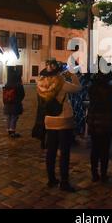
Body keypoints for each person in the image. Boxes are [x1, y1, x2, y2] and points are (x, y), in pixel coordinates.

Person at [37, 59, 82, 192]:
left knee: (50, 151)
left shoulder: (40, 83)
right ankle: (64, 181)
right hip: (63, 119)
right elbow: (78, 88)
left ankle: (51, 179)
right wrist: (72, 75)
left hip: (49, 119)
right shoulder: (61, 82)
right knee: (64, 152)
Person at [87, 72, 112, 183]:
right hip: (105, 122)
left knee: (94, 149)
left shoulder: (92, 89)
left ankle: (94, 173)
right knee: (105, 150)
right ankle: (103, 174)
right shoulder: (110, 90)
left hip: (94, 121)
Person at [3, 71, 25, 138]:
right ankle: (12, 131)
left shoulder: (7, 84)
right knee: (14, 117)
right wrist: (18, 100)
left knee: (9, 117)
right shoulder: (18, 85)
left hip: (7, 103)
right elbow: (22, 94)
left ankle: (9, 130)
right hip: (15, 103)